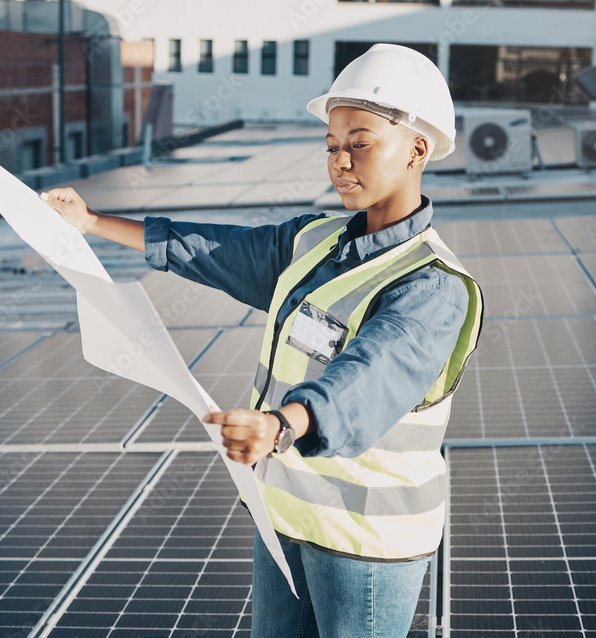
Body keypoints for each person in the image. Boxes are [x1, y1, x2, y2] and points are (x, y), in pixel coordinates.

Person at [41, 43, 483, 638]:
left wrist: (283, 424)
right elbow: (215, 250)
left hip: (364, 542)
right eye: (331, 145)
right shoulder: (313, 241)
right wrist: (92, 224)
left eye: (360, 142)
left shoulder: (433, 286)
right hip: (282, 513)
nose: (339, 161)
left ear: (418, 150)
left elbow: (372, 376)